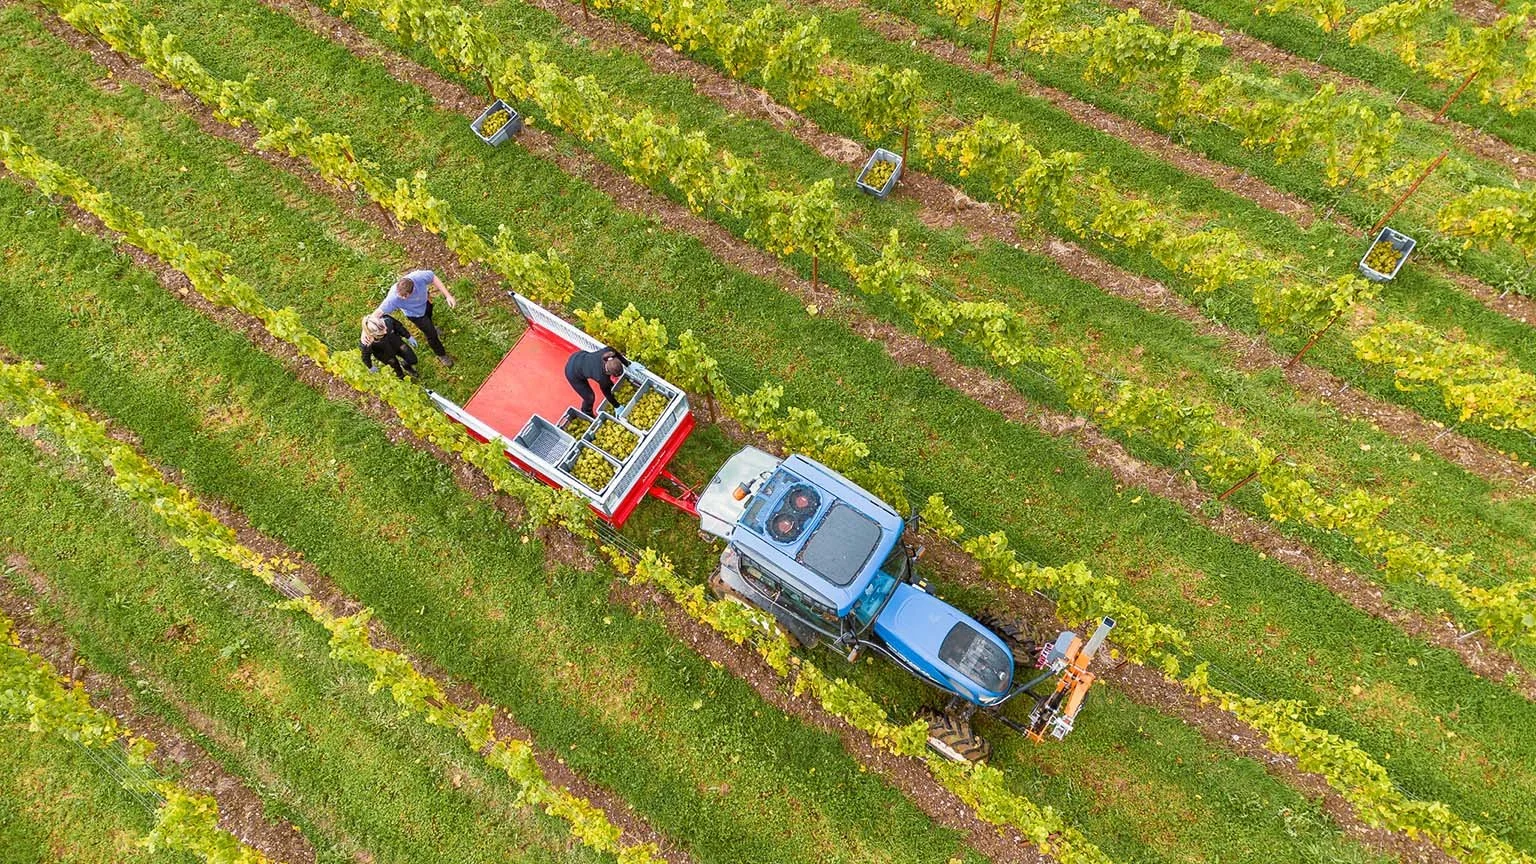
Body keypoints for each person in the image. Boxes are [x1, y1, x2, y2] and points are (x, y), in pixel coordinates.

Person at [376, 269, 458, 367]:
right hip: (415, 315)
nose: (402, 298)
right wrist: (366, 330)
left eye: (405, 296)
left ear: (413, 289)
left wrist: (448, 296)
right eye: (400, 295)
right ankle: (441, 355)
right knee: (431, 335)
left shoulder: (419, 277)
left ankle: (432, 326)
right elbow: (378, 313)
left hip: (425, 304)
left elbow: (433, 277)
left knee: (429, 316)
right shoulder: (393, 298)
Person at [564, 346, 628, 416]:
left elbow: (616, 353)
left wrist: (628, 364)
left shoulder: (608, 352)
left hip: (579, 356)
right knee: (590, 397)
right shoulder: (601, 377)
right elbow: (607, 393)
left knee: (608, 384)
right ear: (608, 372)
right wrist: (617, 406)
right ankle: (586, 413)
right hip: (573, 372)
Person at [360, 312, 419, 380]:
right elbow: (365, 355)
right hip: (385, 355)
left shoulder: (387, 319)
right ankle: (402, 377)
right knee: (395, 368)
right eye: (381, 334)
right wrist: (370, 366)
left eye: (385, 327)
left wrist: (408, 336)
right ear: (372, 334)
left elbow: (398, 326)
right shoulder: (367, 342)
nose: (385, 331)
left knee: (412, 359)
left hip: (397, 344)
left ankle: (406, 366)